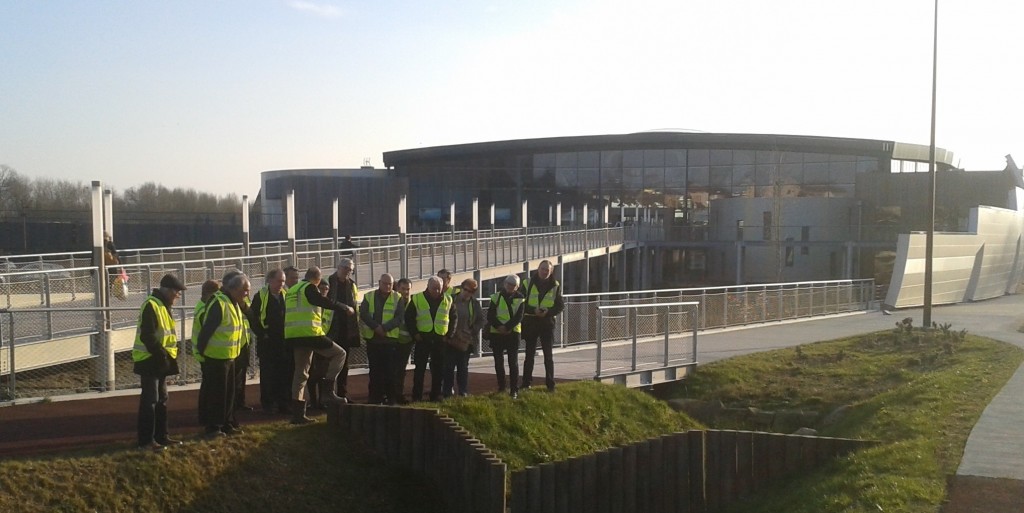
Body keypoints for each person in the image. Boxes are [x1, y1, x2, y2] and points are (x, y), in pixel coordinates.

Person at [284, 266, 349, 424]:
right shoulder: (309, 287)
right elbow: (322, 301)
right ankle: (328, 390)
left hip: (293, 336)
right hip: (310, 333)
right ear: (317, 279)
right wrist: (344, 307)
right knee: (340, 354)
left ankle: (297, 415)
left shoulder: (292, 290)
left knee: (301, 373)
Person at [132, 273, 186, 451]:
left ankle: (161, 436)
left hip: (159, 360)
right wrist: (162, 354)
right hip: (150, 360)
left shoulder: (162, 305)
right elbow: (147, 335)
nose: (178, 295)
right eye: (177, 292)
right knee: (151, 401)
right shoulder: (152, 305)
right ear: (168, 290)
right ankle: (146, 441)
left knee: (162, 400)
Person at [195, 273, 251, 437]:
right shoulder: (219, 303)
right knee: (217, 394)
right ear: (234, 289)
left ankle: (226, 424)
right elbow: (206, 331)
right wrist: (203, 352)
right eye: (245, 291)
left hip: (230, 356)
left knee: (228, 394)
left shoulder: (233, 302)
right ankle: (213, 427)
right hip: (216, 357)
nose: (247, 294)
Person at [405, 276, 456, 402]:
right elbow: (409, 318)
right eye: (434, 288)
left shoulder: (448, 299)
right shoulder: (417, 299)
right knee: (420, 369)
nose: (437, 291)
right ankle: (417, 396)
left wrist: (449, 335)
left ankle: (436, 395)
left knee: (439, 369)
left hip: (440, 338)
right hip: (423, 338)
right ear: (428, 287)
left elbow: (454, 318)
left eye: (439, 288)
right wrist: (415, 334)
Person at [358, 273, 406, 404]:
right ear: (379, 283)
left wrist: (384, 328)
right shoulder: (369, 296)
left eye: (390, 284)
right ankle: (374, 398)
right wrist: (376, 327)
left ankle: (391, 398)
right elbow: (364, 314)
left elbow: (399, 317)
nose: (387, 286)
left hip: (389, 340)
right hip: (373, 340)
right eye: (385, 283)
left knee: (390, 372)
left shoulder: (398, 297)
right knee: (374, 372)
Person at [249, 268, 290, 414]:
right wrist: (262, 334)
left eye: (283, 281)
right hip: (267, 342)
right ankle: (268, 404)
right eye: (279, 281)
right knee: (268, 375)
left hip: (283, 341)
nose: (282, 284)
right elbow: (252, 318)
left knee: (283, 374)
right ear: (270, 280)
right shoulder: (260, 296)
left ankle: (283, 403)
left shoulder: (286, 295)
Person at [520, 260, 564, 392]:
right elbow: (521, 303)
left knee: (548, 356)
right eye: (543, 268)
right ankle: (526, 382)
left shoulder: (555, 285)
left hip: (547, 323)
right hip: (531, 322)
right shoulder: (527, 283)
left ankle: (550, 384)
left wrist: (548, 313)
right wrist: (533, 310)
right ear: (538, 268)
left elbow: (560, 305)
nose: (544, 271)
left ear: (551, 272)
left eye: (547, 270)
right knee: (529, 355)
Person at [442, 278, 484, 398]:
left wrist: (471, 331)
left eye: (471, 291)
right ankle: (447, 391)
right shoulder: (451, 299)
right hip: (451, 339)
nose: (467, 293)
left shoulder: (474, 304)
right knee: (449, 367)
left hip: (465, 341)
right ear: (461, 288)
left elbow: (480, 320)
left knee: (463, 367)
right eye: (465, 289)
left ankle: (463, 391)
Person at [327, 258, 360, 402]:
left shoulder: (352, 285)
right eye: (345, 268)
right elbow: (325, 302)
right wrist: (343, 307)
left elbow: (355, 305)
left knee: (344, 364)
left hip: (346, 329)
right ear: (338, 267)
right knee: (327, 364)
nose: (348, 271)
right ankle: (326, 395)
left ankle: (342, 393)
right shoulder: (328, 282)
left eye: (350, 269)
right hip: (330, 329)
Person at [488, 274, 525, 399]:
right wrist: (500, 327)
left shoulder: (521, 299)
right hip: (497, 334)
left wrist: (507, 327)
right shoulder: (495, 297)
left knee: (512, 362)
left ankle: (514, 389)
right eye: (508, 283)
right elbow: (490, 315)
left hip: (512, 334)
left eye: (513, 285)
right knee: (498, 362)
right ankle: (502, 387)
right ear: (504, 284)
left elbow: (519, 317)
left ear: (517, 287)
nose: (510, 286)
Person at [193, 279, 221, 426]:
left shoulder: (201, 307)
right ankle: (206, 418)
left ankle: (204, 417)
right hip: (207, 353)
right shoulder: (205, 310)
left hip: (202, 352)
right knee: (210, 388)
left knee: (207, 387)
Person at [392, 278, 415, 404]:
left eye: (408, 289)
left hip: (406, 341)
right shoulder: (393, 301)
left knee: (401, 370)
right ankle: (389, 395)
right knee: (390, 369)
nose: (406, 292)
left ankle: (398, 394)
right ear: (397, 288)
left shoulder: (412, 303)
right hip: (392, 340)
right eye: (403, 289)